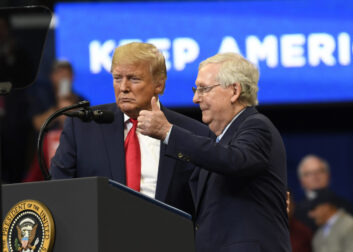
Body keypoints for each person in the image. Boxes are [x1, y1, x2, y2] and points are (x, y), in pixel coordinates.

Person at [137, 53, 291, 252]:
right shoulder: (219, 142)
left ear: (234, 90)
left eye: (203, 89)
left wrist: (168, 132)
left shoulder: (256, 126)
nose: (195, 98)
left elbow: (233, 160)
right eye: (196, 89)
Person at [50, 42, 211, 216]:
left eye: (134, 79)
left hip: (167, 238)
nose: (123, 88)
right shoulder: (82, 127)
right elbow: (60, 192)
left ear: (159, 85)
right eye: (117, 78)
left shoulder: (193, 133)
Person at [295, 154, 353, 231]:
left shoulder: (345, 205)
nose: (315, 176)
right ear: (301, 181)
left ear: (328, 176)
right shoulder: (296, 211)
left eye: (320, 171)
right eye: (309, 173)